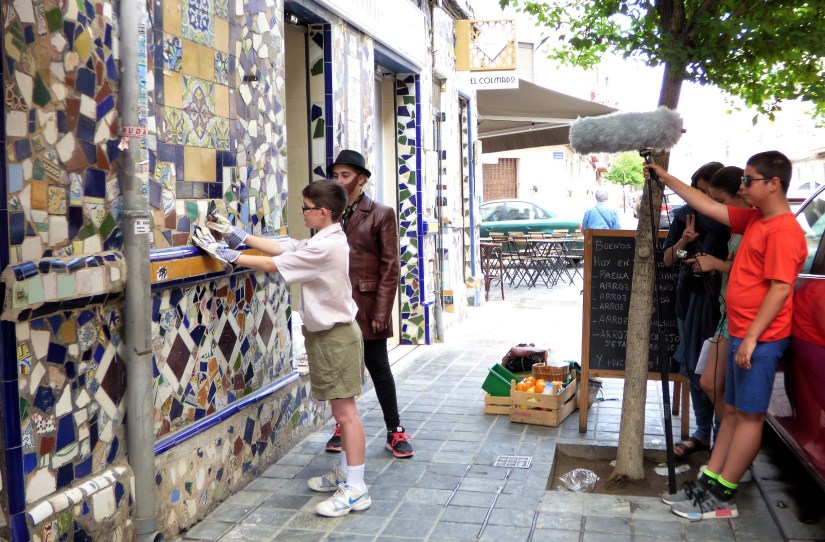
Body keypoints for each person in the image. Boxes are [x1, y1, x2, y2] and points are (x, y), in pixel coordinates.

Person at [192, 180, 372, 518]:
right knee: (342, 411)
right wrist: (237, 236)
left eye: (305, 208)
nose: (302, 212)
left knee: (346, 413)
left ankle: (356, 488)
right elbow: (286, 248)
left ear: (323, 212)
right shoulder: (325, 238)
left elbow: (275, 264)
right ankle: (348, 474)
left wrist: (227, 254)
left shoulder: (327, 246)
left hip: (336, 338)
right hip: (330, 336)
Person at [651, 151, 807, 521]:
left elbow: (781, 289)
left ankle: (723, 495)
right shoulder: (755, 219)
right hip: (741, 333)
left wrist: (752, 337)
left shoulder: (784, 230)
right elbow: (706, 203)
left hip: (760, 340)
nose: (742, 186)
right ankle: (710, 484)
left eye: (748, 180)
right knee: (734, 413)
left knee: (750, 417)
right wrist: (665, 178)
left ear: (773, 183)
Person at [326, 149, 413, 458]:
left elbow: (391, 266)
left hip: (367, 304)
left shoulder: (381, 213)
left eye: (345, 175)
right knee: (341, 368)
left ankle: (395, 430)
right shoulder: (328, 214)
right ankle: (342, 425)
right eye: (335, 175)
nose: (338, 181)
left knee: (378, 367)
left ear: (361, 179)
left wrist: (382, 310)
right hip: (337, 304)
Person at [661, 162, 730, 459]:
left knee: (718, 376)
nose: (703, 199)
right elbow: (667, 260)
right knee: (693, 368)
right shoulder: (684, 216)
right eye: (698, 191)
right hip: (689, 300)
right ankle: (703, 433)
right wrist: (683, 242)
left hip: (722, 306)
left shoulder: (733, 220)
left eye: (708, 194)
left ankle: (722, 438)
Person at [690, 166, 747, 426]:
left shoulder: (755, 223)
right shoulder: (738, 226)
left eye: (719, 201)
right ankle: (728, 439)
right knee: (709, 382)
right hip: (728, 313)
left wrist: (717, 264)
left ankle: (730, 442)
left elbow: (763, 275)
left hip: (744, 318)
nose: (715, 207)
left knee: (720, 387)